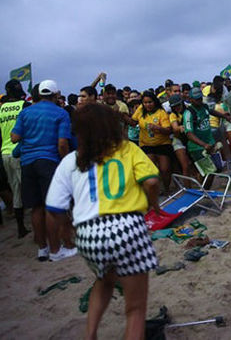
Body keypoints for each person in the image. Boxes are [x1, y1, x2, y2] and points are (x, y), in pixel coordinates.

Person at [46, 103, 160, 340]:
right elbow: (151, 182)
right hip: (127, 228)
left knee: (104, 280)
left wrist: (62, 233)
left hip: (88, 235)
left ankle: (90, 334)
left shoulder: (70, 161)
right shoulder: (128, 149)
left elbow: (54, 208)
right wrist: (152, 204)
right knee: (136, 309)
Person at [11, 80, 76, 261]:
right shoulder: (61, 113)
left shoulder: (25, 112)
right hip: (48, 162)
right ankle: (59, 250)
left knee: (36, 208)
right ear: (56, 95)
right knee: (54, 207)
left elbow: (15, 137)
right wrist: (67, 162)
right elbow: (62, 143)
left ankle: (43, 248)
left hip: (27, 163)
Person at [0, 79, 31, 238]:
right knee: (29, 189)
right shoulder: (24, 106)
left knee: (16, 190)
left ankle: (21, 227)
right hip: (19, 152)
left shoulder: (1, 109)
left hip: (5, 153)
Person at [183, 87, 231, 188]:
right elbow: (189, 133)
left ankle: (205, 189)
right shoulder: (189, 113)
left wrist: (224, 116)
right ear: (191, 100)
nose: (199, 101)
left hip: (210, 143)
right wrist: (203, 144)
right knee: (209, 171)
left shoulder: (204, 107)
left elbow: (211, 111)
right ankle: (204, 190)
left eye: (200, 98)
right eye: (196, 99)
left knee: (218, 167)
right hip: (198, 147)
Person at [131, 91, 173, 192]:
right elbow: (132, 122)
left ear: (155, 102)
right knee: (150, 170)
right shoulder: (140, 110)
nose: (147, 105)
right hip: (146, 145)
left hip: (162, 144)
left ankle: (167, 190)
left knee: (165, 170)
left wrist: (158, 128)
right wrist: (121, 116)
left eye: (150, 102)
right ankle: (153, 191)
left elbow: (168, 130)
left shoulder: (161, 113)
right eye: (145, 103)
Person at [168, 94, 193, 183]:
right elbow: (175, 127)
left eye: (178, 105)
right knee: (185, 166)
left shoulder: (189, 109)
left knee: (194, 165)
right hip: (178, 140)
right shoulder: (173, 115)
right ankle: (188, 189)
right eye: (174, 106)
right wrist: (180, 128)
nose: (176, 107)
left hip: (190, 139)